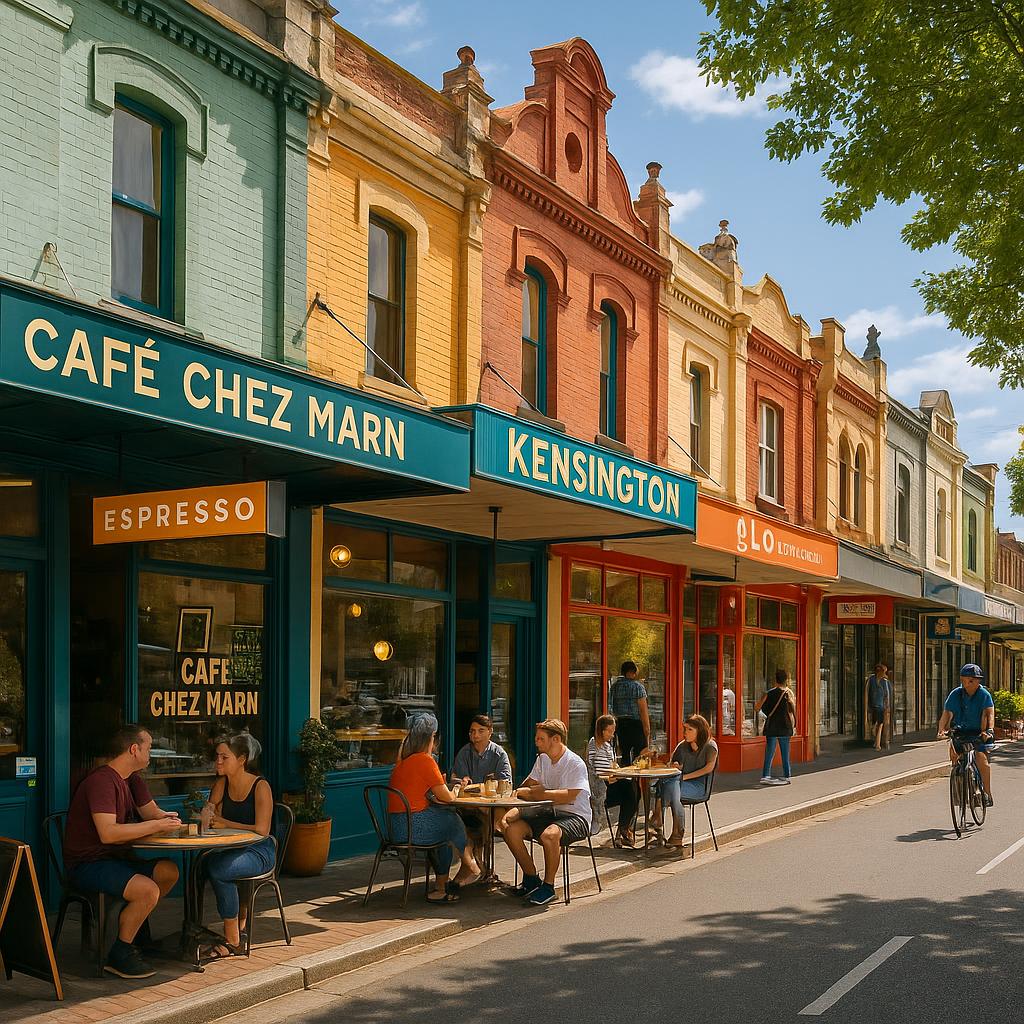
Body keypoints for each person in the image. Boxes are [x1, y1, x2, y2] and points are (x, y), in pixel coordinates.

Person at [63, 724, 182, 979]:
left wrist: (173, 819)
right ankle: (120, 952)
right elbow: (109, 833)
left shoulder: (132, 779)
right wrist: (156, 825)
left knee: (168, 872)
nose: (152, 753)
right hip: (89, 864)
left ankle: (134, 930)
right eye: (149, 747)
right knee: (148, 889)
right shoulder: (101, 781)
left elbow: (153, 814)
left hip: (117, 859)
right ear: (134, 749)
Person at [388, 713, 481, 902]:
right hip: (413, 827)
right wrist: (456, 788)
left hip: (396, 827)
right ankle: (471, 865)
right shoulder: (425, 760)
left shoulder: (403, 761)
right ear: (429, 738)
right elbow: (446, 798)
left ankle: (441, 888)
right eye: (433, 736)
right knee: (451, 819)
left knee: (444, 832)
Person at [199, 734, 276, 959]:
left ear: (242, 759)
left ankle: (233, 940)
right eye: (217, 756)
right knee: (201, 864)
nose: (218, 762)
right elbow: (209, 816)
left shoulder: (260, 786)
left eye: (225, 757)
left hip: (260, 850)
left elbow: (262, 829)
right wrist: (207, 813)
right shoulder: (221, 784)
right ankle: (194, 928)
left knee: (220, 870)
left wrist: (224, 822)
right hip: (233, 848)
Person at [501, 718, 591, 907]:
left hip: (575, 816)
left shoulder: (574, 763)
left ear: (556, 740)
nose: (536, 742)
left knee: (550, 835)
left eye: (541, 739)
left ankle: (549, 887)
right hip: (549, 812)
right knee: (510, 828)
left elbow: (569, 796)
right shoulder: (542, 759)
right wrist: (528, 792)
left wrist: (538, 793)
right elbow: (528, 786)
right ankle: (531, 878)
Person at [450, 715, 512, 864]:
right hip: (467, 805)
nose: (475, 735)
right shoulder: (464, 753)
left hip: (489, 805)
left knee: (491, 815)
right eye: (472, 731)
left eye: (480, 731)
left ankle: (484, 864)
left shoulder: (499, 754)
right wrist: (462, 781)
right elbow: (455, 780)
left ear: (490, 732)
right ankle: (476, 863)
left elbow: (506, 783)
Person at [938, 663, 995, 807]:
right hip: (960, 731)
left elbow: (990, 713)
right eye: (964, 680)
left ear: (977, 681)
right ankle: (960, 795)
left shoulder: (984, 694)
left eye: (970, 680)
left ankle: (987, 793)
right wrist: (941, 729)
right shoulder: (956, 693)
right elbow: (947, 713)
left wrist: (989, 730)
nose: (966, 683)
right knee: (956, 758)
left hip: (979, 732)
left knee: (980, 758)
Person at [660, 714, 718, 846]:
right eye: (685, 729)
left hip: (698, 787)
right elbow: (674, 764)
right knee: (669, 788)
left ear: (700, 731)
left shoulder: (710, 746)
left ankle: (659, 825)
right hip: (678, 784)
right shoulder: (682, 746)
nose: (685, 732)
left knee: (670, 789)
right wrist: (676, 766)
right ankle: (675, 835)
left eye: (689, 730)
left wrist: (685, 777)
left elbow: (709, 768)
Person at [586, 715, 638, 847]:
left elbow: (612, 767)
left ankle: (622, 831)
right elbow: (596, 771)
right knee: (630, 791)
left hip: (610, 782)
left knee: (633, 791)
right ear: (601, 730)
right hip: (600, 787)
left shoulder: (607, 745)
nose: (612, 735)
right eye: (609, 731)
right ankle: (623, 831)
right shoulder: (594, 744)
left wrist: (619, 773)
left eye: (613, 731)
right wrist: (615, 775)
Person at [755, 669, 796, 785]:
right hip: (785, 726)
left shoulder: (769, 693)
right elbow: (792, 709)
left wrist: (764, 712)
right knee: (785, 753)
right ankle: (787, 775)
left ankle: (766, 775)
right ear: (786, 680)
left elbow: (757, 707)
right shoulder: (788, 693)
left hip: (772, 727)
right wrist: (795, 722)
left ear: (775, 680)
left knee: (769, 752)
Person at [608, 661, 651, 765]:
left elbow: (610, 707)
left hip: (621, 725)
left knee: (625, 756)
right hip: (636, 725)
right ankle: (637, 781)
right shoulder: (638, 687)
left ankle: (626, 779)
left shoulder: (614, 687)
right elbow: (643, 710)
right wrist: (647, 730)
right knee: (640, 759)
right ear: (633, 672)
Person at [864, 662, 892, 750]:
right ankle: (877, 744)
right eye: (884, 672)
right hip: (878, 706)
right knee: (879, 724)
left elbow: (887, 694)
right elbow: (887, 694)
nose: (885, 674)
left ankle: (877, 743)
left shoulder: (874, 679)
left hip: (876, 706)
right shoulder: (881, 681)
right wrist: (887, 706)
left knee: (877, 724)